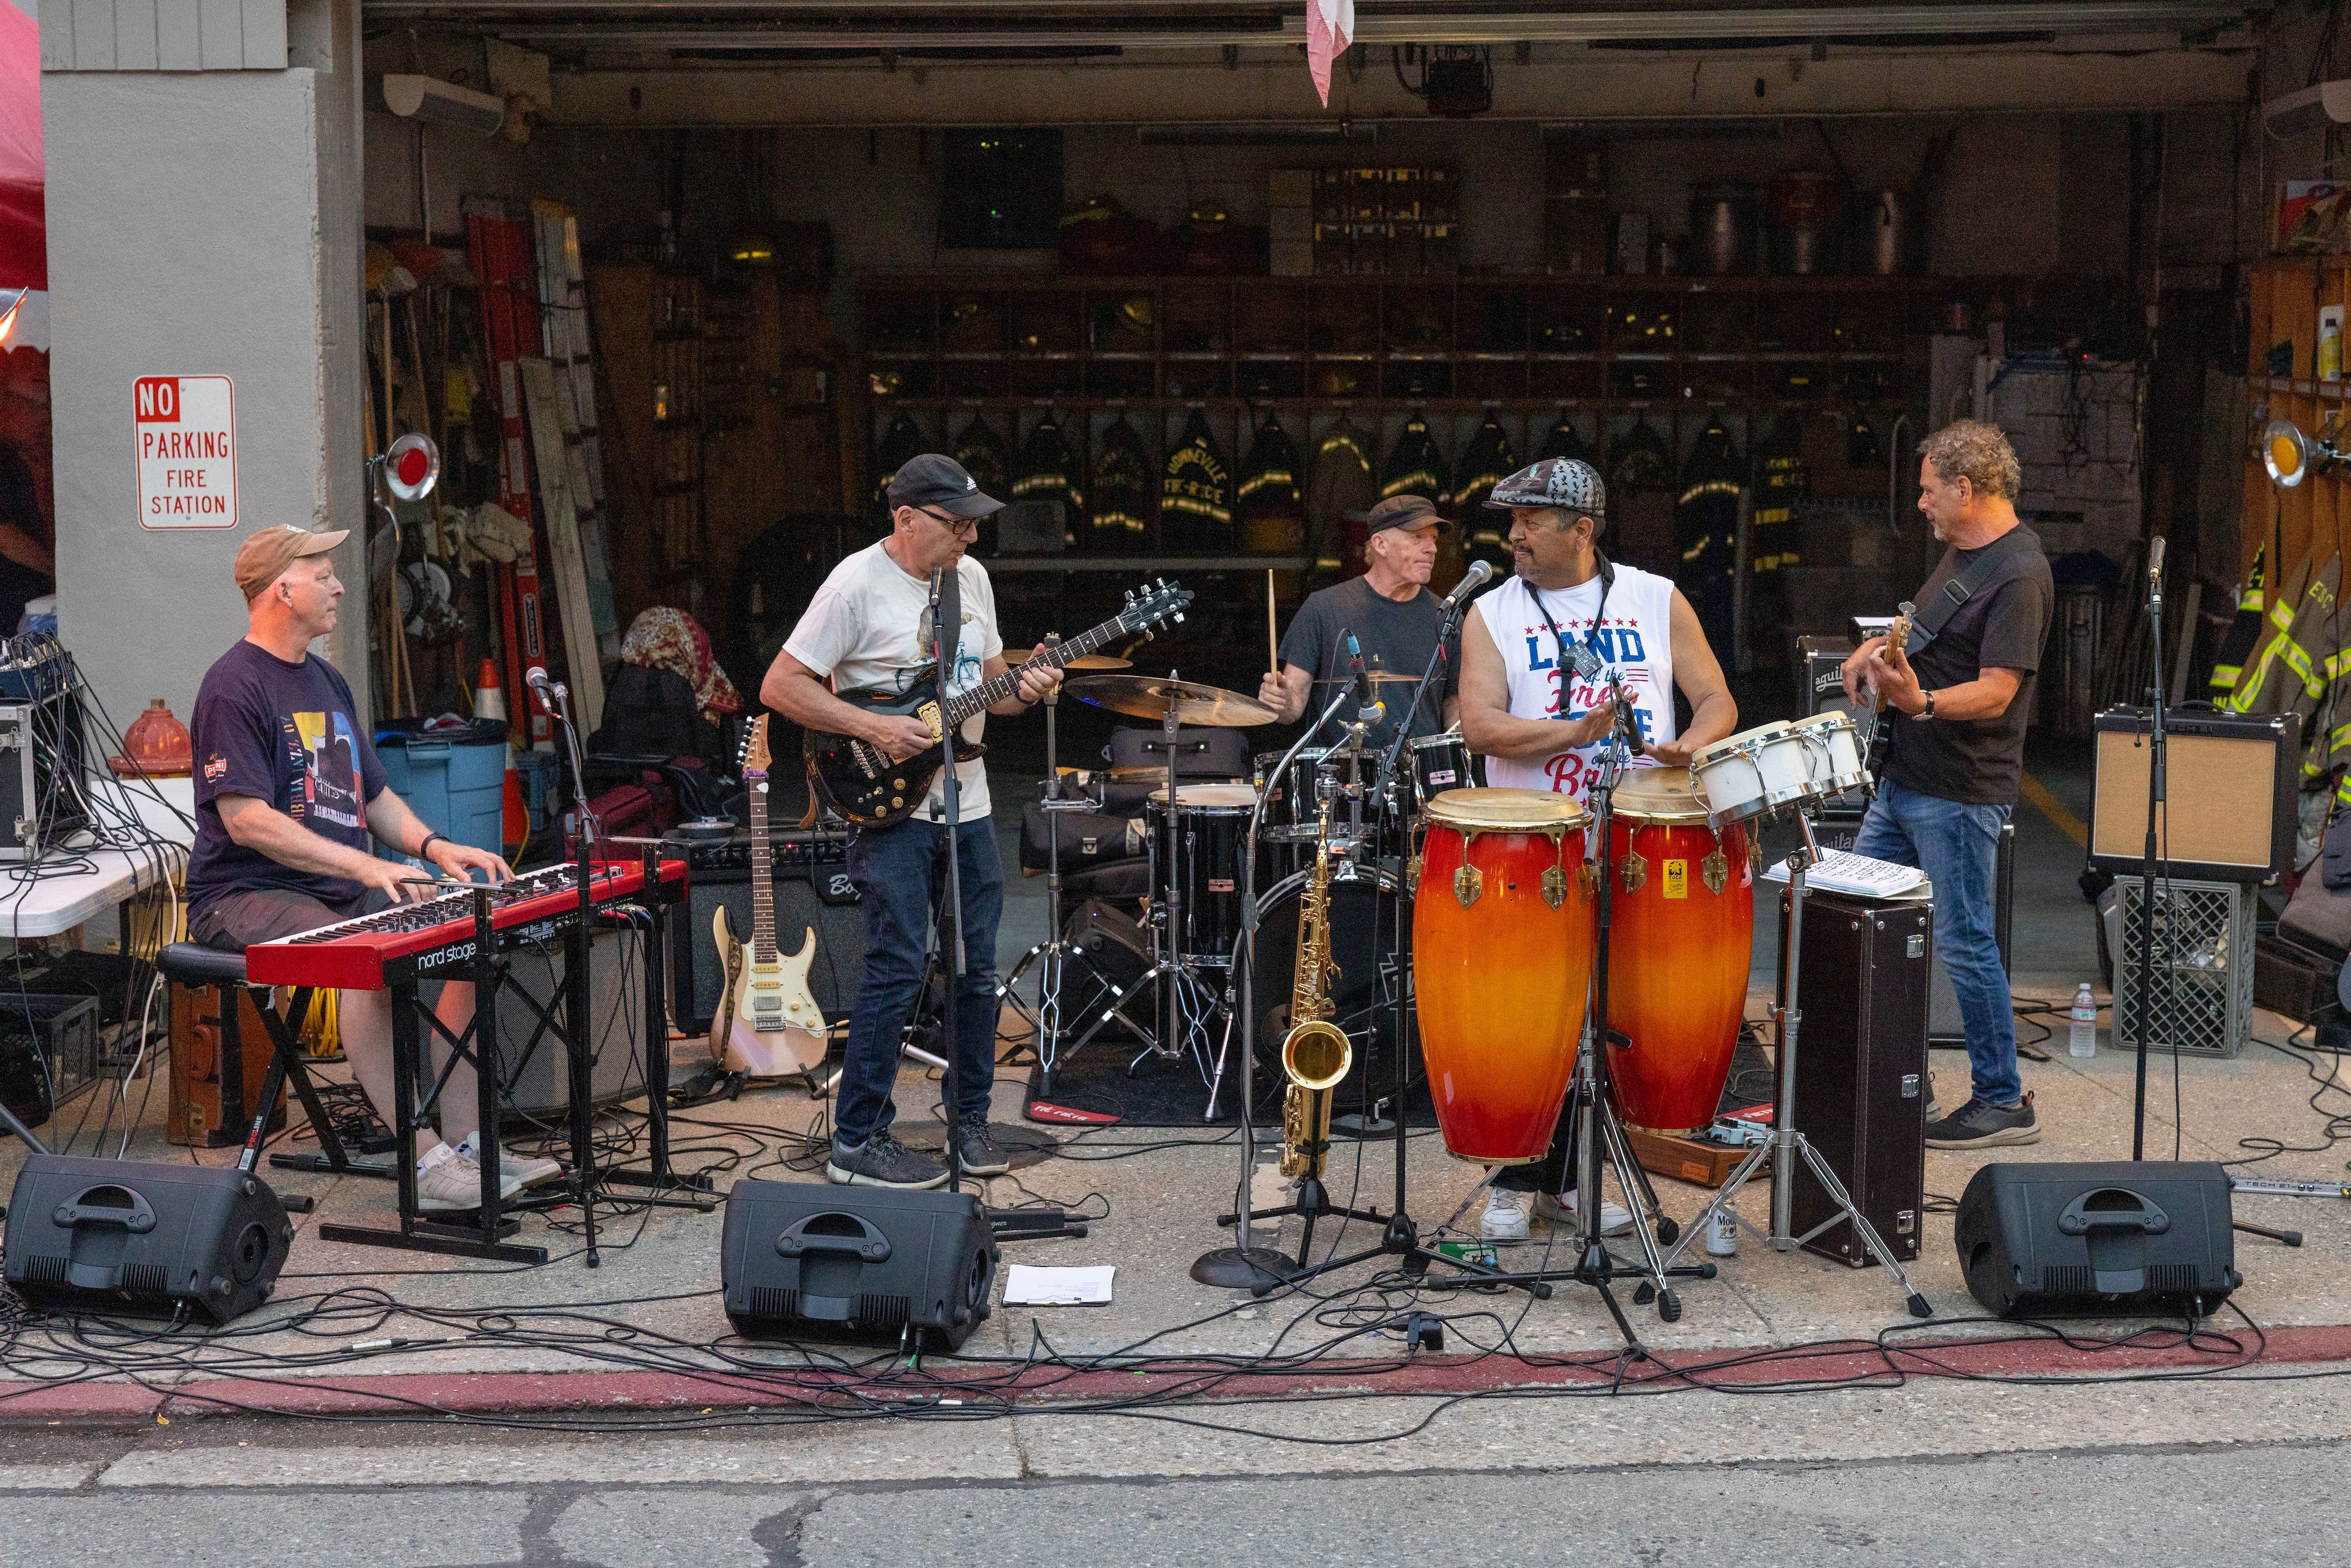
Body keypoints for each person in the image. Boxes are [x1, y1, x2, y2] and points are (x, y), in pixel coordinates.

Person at [187, 524, 540, 1213]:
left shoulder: (326, 679)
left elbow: (373, 795)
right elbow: (246, 820)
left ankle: (468, 1147)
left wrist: (435, 847)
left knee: (466, 941)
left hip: (335, 886)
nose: (340, 585)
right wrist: (365, 866)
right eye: (324, 573)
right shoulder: (231, 687)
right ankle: (424, 1160)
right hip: (242, 893)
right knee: (367, 955)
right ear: (283, 588)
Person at [1456, 458, 1739, 1242]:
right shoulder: (1490, 614)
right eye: (1509, 519)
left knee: (1614, 1013)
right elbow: (1479, 724)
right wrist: (1574, 732)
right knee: (1533, 1015)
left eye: (1530, 521)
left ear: (1582, 531)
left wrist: (1691, 743)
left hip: (1637, 840)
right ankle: (1516, 1178)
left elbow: (1717, 697)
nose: (1513, 534)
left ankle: (1575, 1182)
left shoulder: (1656, 598)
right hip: (1534, 847)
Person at [761, 454, 1061, 1190]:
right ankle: (857, 1139)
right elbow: (780, 684)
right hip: (889, 805)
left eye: (973, 525)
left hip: (970, 798)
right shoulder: (854, 584)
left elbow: (995, 691)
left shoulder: (971, 580)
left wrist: (1032, 684)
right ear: (905, 519)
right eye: (957, 525)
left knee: (973, 969)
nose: (970, 539)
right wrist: (876, 728)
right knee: (896, 968)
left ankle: (969, 1124)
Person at [1843, 419, 2052, 1149]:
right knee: (1863, 916)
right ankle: (1901, 1079)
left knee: (1964, 942)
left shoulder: (2019, 574)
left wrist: (1921, 702)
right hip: (1907, 781)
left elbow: (1997, 691)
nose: (1922, 504)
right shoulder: (1964, 553)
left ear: (1965, 489)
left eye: (1930, 491)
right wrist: (1875, 651)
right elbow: (1919, 628)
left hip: (1958, 791)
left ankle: (2001, 1099)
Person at [1256, 494, 1463, 755]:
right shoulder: (1323, 608)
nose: (1432, 548)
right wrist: (1280, 701)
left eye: (1433, 538)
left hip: (1420, 780)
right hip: (1338, 777)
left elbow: (1453, 704)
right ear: (1380, 544)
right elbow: (1293, 707)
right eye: (1417, 538)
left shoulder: (1447, 617)